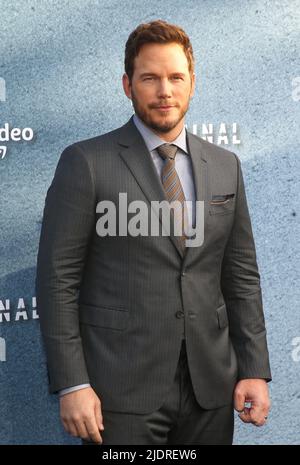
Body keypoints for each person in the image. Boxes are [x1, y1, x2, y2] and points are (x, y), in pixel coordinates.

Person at [36, 19, 271, 445]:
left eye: (176, 77)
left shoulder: (224, 166)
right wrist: (72, 384)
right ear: (127, 85)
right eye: (150, 78)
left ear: (192, 83)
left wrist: (253, 368)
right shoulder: (86, 163)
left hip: (211, 390)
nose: (165, 90)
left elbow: (241, 277)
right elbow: (57, 281)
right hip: (119, 393)